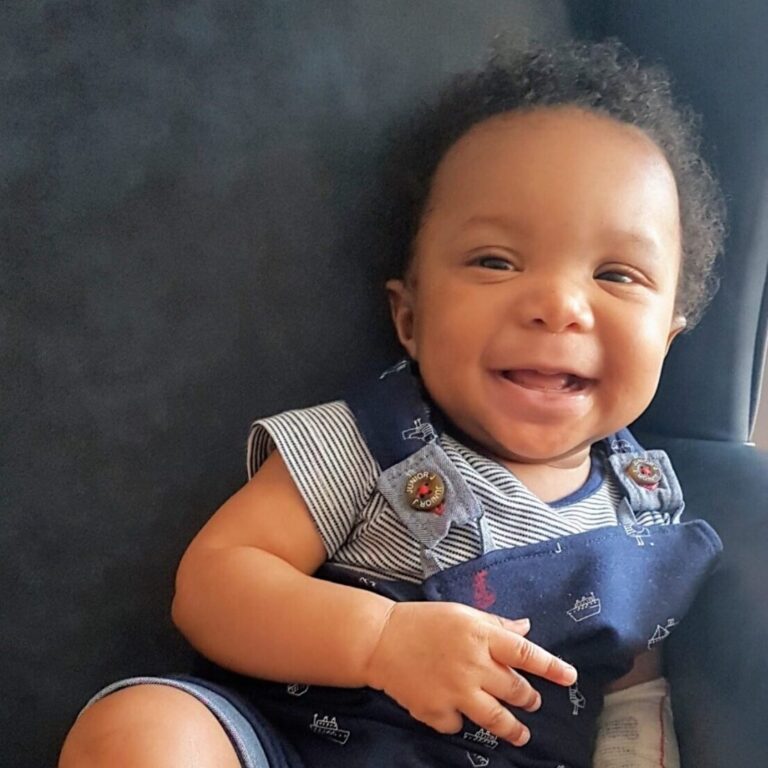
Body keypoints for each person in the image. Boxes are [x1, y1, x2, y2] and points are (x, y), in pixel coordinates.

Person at [59, 39, 726, 768]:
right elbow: (214, 581)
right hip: (289, 746)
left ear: (669, 337)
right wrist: (377, 640)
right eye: (496, 261)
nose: (558, 304)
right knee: (142, 728)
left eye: (617, 274)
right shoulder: (366, 440)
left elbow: (634, 701)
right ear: (409, 318)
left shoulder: (647, 511)